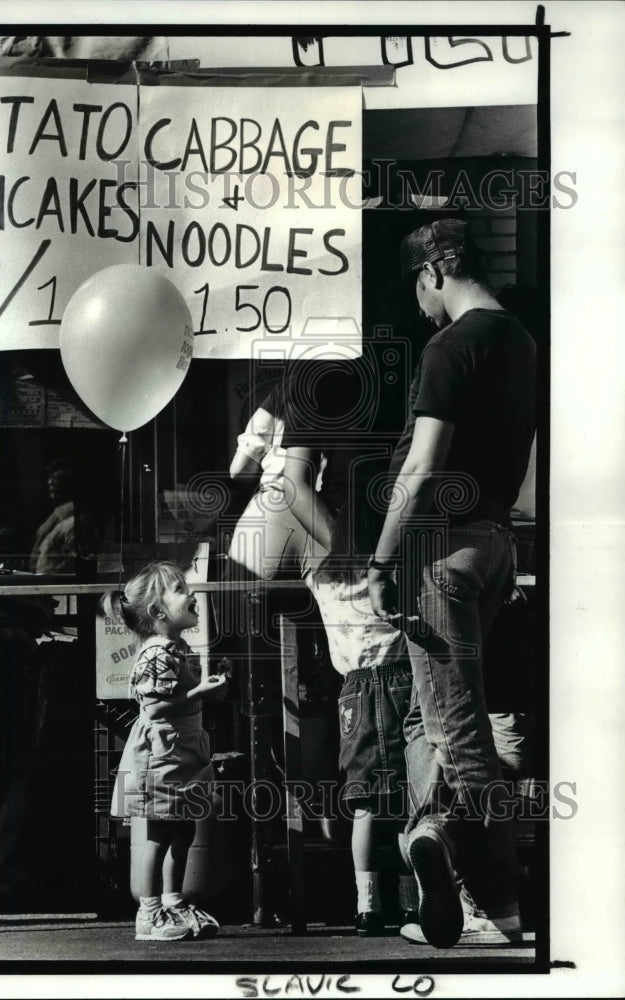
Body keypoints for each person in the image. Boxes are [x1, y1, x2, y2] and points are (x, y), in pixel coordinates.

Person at [367, 218, 537, 948]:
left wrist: (380, 559)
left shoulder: (450, 345)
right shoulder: (521, 341)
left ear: (431, 273)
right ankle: (428, 834)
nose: (418, 306)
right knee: (424, 718)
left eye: (417, 290)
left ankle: (495, 902)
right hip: (494, 540)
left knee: (456, 729)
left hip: (435, 548)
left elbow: (420, 463)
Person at [304, 505, 418, 934]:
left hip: (353, 686)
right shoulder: (391, 572)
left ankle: (366, 904)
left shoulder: (324, 575)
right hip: (404, 677)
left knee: (365, 801)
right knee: (411, 796)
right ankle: (414, 900)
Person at [110, 561, 228, 942]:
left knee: (184, 827)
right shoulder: (156, 654)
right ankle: (148, 913)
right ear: (158, 612)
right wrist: (198, 692)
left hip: (183, 749)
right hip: (162, 751)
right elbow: (155, 708)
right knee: (160, 832)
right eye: (180, 589)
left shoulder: (177, 648)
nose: (192, 594)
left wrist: (207, 689)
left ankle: (173, 903)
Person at [226, 381, 317, 580]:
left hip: (274, 508)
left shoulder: (284, 390)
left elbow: (239, 471)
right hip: (327, 516)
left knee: (239, 606)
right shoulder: (359, 387)